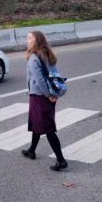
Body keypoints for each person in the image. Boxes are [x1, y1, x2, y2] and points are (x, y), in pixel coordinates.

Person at [21, 30, 68, 171]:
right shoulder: (47, 54)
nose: (26, 41)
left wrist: (48, 95)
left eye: (29, 38)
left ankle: (61, 160)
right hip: (47, 96)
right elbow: (54, 75)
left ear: (37, 41)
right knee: (37, 122)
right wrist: (53, 95)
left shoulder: (34, 57)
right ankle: (32, 150)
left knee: (47, 128)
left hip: (40, 97)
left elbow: (39, 80)